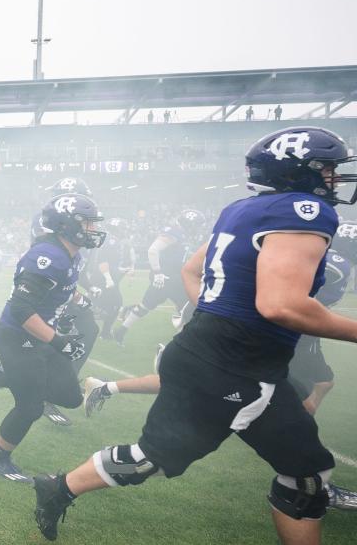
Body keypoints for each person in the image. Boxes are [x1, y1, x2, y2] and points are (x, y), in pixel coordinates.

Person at [34, 126, 357, 542]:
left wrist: (213, 317)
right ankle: (57, 488)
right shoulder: (301, 211)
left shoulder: (241, 209)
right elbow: (282, 305)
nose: (334, 178)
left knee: (306, 472)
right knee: (153, 459)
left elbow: (191, 271)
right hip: (237, 368)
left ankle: (57, 488)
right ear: (300, 172)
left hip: (223, 356)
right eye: (327, 169)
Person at [0, 193, 106, 482]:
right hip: (16, 336)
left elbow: (61, 289)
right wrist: (58, 339)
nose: (91, 229)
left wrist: (76, 306)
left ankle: (0, 375)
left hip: (41, 335)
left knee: (70, 397)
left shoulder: (73, 253)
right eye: (86, 223)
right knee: (31, 405)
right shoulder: (48, 256)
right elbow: (21, 308)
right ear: (66, 224)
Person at [106, 209, 205, 346]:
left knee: (145, 305)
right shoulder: (174, 233)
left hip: (169, 278)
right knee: (188, 309)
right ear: (190, 224)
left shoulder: (180, 234)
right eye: (197, 225)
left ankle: (120, 331)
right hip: (169, 278)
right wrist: (157, 272)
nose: (198, 229)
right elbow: (153, 250)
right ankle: (184, 343)